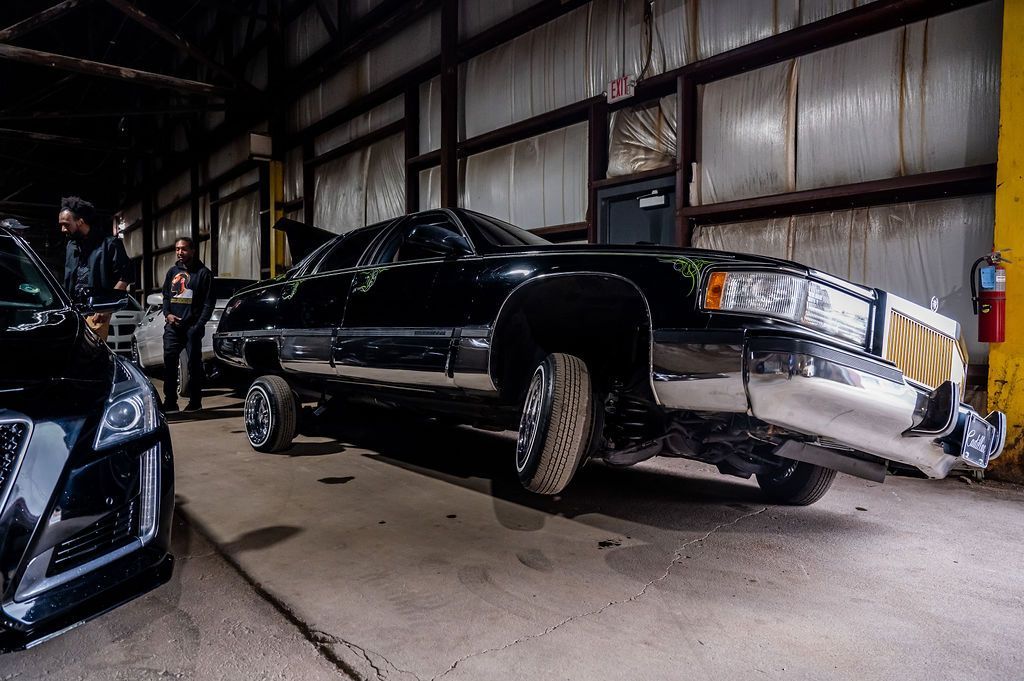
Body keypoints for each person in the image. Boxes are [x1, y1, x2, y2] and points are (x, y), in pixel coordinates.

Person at [59, 196, 132, 341]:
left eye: (66, 224)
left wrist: (106, 308)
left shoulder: (110, 244)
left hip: (96, 315)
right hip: (72, 315)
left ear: (80, 221)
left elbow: (125, 276)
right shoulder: (71, 246)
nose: (62, 229)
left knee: (91, 357)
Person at [160, 237, 214, 413]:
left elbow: (208, 303)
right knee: (169, 363)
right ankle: (170, 402)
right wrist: (167, 315)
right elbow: (166, 297)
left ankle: (195, 402)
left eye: (183, 249)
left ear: (192, 250)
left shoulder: (204, 273)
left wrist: (198, 325)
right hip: (173, 327)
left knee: (194, 366)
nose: (179, 252)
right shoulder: (172, 272)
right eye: (177, 249)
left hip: (192, 327)